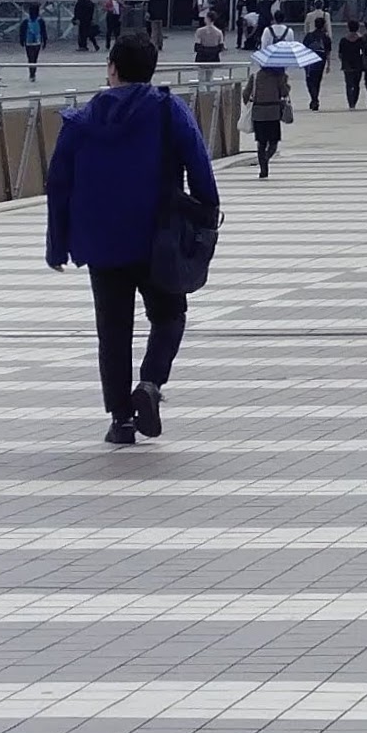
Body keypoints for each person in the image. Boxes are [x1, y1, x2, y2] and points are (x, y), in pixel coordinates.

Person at [46, 34, 221, 444]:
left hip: (100, 241)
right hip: (156, 237)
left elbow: (58, 185)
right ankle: (150, 384)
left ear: (112, 68)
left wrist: (57, 243)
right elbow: (199, 165)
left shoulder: (81, 120)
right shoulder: (166, 111)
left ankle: (121, 421)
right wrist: (206, 215)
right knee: (169, 314)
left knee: (113, 329)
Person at [245, 32, 304, 176]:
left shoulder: (255, 76)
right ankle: (265, 159)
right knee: (273, 142)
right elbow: (284, 93)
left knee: (261, 142)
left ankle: (263, 168)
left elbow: (246, 94)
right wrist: (285, 83)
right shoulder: (278, 77)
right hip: (273, 112)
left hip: (258, 112)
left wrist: (249, 103)